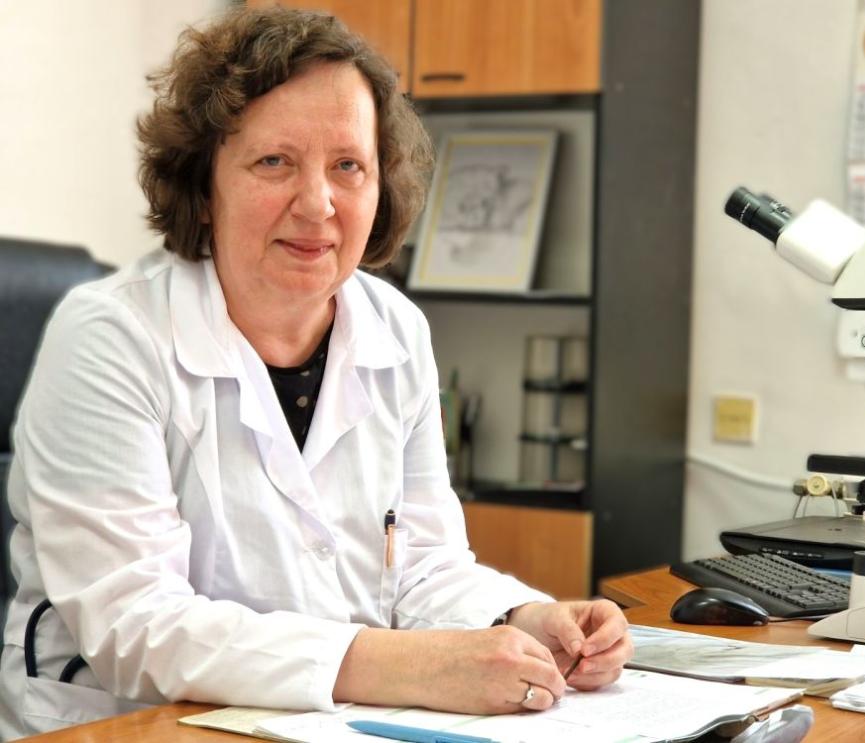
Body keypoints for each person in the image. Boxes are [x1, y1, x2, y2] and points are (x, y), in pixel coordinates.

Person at [0, 7, 632, 738]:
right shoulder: (110, 337)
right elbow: (135, 625)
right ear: (203, 187)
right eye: (275, 161)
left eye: (347, 166)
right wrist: (413, 666)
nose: (317, 203)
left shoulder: (396, 331)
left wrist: (521, 618)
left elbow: (423, 565)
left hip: (323, 721)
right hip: (127, 725)